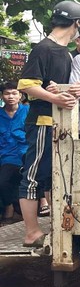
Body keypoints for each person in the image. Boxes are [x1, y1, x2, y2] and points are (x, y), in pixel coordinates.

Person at [17, 0, 80, 247]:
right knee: (34, 176)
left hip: (57, 122)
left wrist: (59, 91)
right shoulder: (44, 48)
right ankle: (31, 232)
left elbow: (47, 84)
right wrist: (54, 97)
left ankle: (49, 226)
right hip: (42, 121)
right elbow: (26, 85)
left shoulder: (64, 52)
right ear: (77, 23)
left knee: (50, 176)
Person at [0, 81, 28, 224]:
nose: (10, 96)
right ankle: (9, 206)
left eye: (14, 93)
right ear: (2, 96)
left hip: (27, 153)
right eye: (7, 93)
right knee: (3, 182)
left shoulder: (28, 111)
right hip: (7, 157)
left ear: (20, 95)